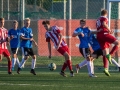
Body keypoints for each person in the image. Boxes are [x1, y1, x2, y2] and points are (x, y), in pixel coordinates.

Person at [96, 9, 120, 74]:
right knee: (118, 43)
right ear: (106, 14)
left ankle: (106, 68)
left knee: (105, 53)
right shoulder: (105, 18)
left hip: (99, 36)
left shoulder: (98, 19)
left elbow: (100, 26)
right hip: (104, 34)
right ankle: (110, 55)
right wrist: (109, 30)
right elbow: (104, 24)